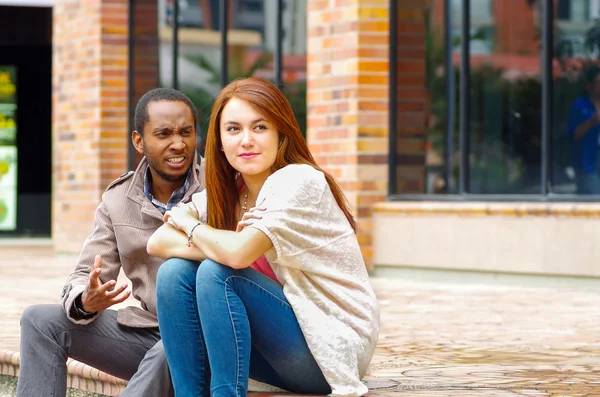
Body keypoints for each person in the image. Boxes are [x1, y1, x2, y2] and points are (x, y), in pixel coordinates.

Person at [147, 77, 380, 397]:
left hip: (327, 349)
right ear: (219, 140)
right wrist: (224, 246)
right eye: (233, 129)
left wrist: (195, 230)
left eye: (259, 127)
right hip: (273, 353)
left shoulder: (298, 181)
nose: (246, 140)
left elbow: (235, 258)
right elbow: (157, 242)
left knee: (220, 274)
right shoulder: (229, 193)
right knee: (175, 272)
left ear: (281, 133)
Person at [16, 88, 204, 397]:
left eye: (186, 132)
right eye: (164, 134)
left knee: (172, 348)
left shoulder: (219, 184)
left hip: (206, 335)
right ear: (139, 141)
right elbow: (83, 275)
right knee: (39, 321)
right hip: (150, 331)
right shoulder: (118, 199)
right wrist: (86, 300)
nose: (178, 144)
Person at [567, 65, 600, 194]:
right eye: (598, 82)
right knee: (594, 194)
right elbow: (573, 134)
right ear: (589, 85)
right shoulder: (579, 106)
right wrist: (592, 121)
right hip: (588, 159)